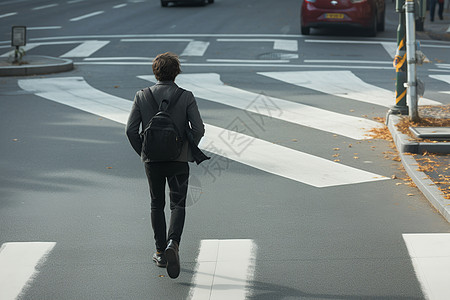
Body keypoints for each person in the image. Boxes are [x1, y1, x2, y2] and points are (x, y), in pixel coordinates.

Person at [126, 52, 205, 279]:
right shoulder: (186, 96)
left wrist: (144, 151)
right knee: (177, 204)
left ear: (155, 72)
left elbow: (130, 130)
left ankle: (160, 251)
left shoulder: (142, 96)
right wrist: (186, 149)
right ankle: (174, 243)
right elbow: (198, 129)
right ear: (177, 72)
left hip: (153, 161)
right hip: (179, 160)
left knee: (156, 203)